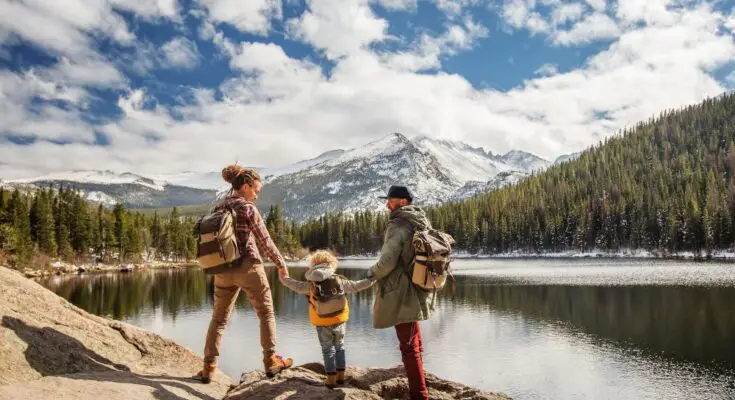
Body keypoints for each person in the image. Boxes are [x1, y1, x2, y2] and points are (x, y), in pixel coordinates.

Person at [196, 165, 293, 383]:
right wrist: (281, 263)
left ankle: (209, 367)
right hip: (249, 267)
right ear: (246, 186)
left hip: (222, 269)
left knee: (218, 320)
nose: (257, 194)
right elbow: (265, 240)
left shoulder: (219, 207)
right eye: (256, 189)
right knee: (266, 313)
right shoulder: (248, 209)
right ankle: (271, 362)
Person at [366, 185, 434, 400]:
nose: (387, 204)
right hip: (420, 286)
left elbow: (386, 263)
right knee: (414, 338)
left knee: (408, 345)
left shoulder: (398, 225)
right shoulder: (421, 220)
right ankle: (421, 380)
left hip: (401, 291)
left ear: (403, 202)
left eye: (391, 200)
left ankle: (419, 394)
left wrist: (371, 273)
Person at [278, 250, 374, 388]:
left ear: (313, 265)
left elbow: (295, 286)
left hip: (322, 322)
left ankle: (330, 379)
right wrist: (372, 279)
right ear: (332, 264)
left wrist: (283, 278)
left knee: (327, 350)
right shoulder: (339, 280)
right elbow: (357, 285)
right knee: (340, 347)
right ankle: (341, 377)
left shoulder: (312, 284)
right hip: (340, 319)